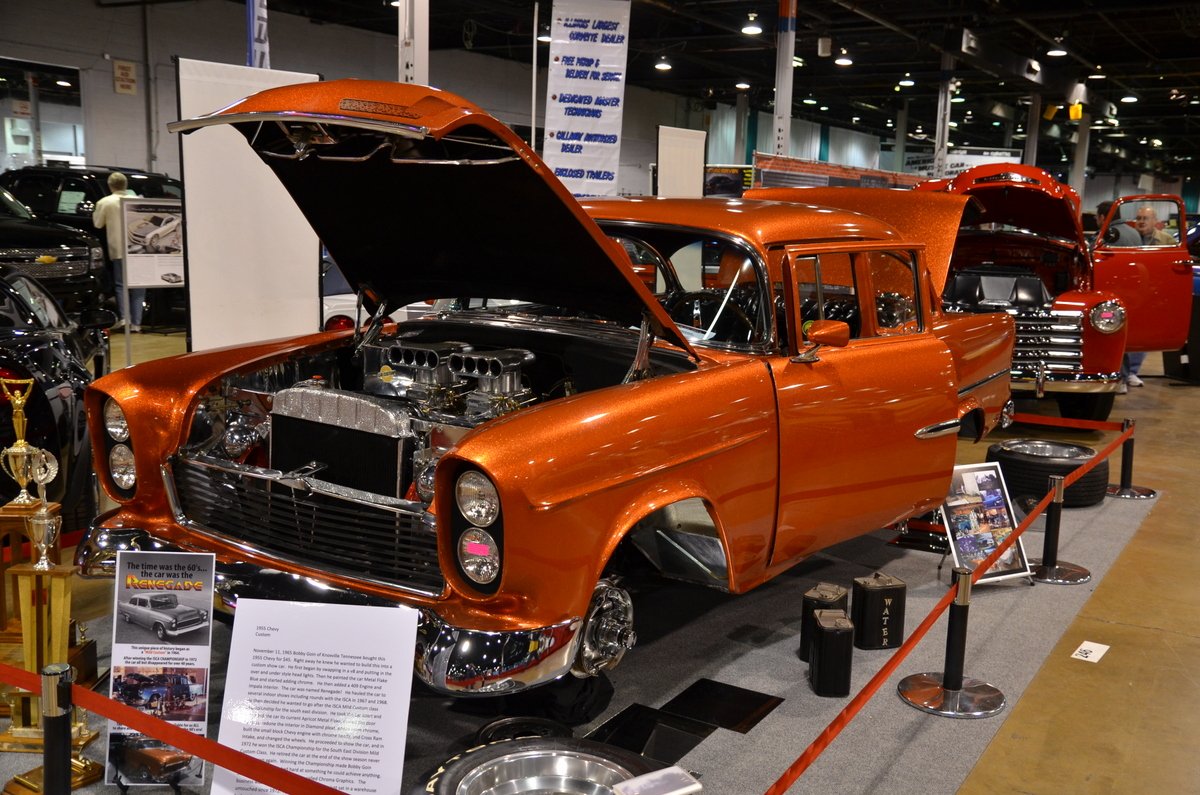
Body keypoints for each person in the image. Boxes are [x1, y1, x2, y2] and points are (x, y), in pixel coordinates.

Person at [92, 172, 144, 331]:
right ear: (126, 185)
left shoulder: (104, 202)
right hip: (139, 250)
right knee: (139, 286)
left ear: (110, 186)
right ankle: (137, 323)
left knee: (121, 285)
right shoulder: (138, 201)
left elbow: (98, 224)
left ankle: (124, 318)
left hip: (118, 249)